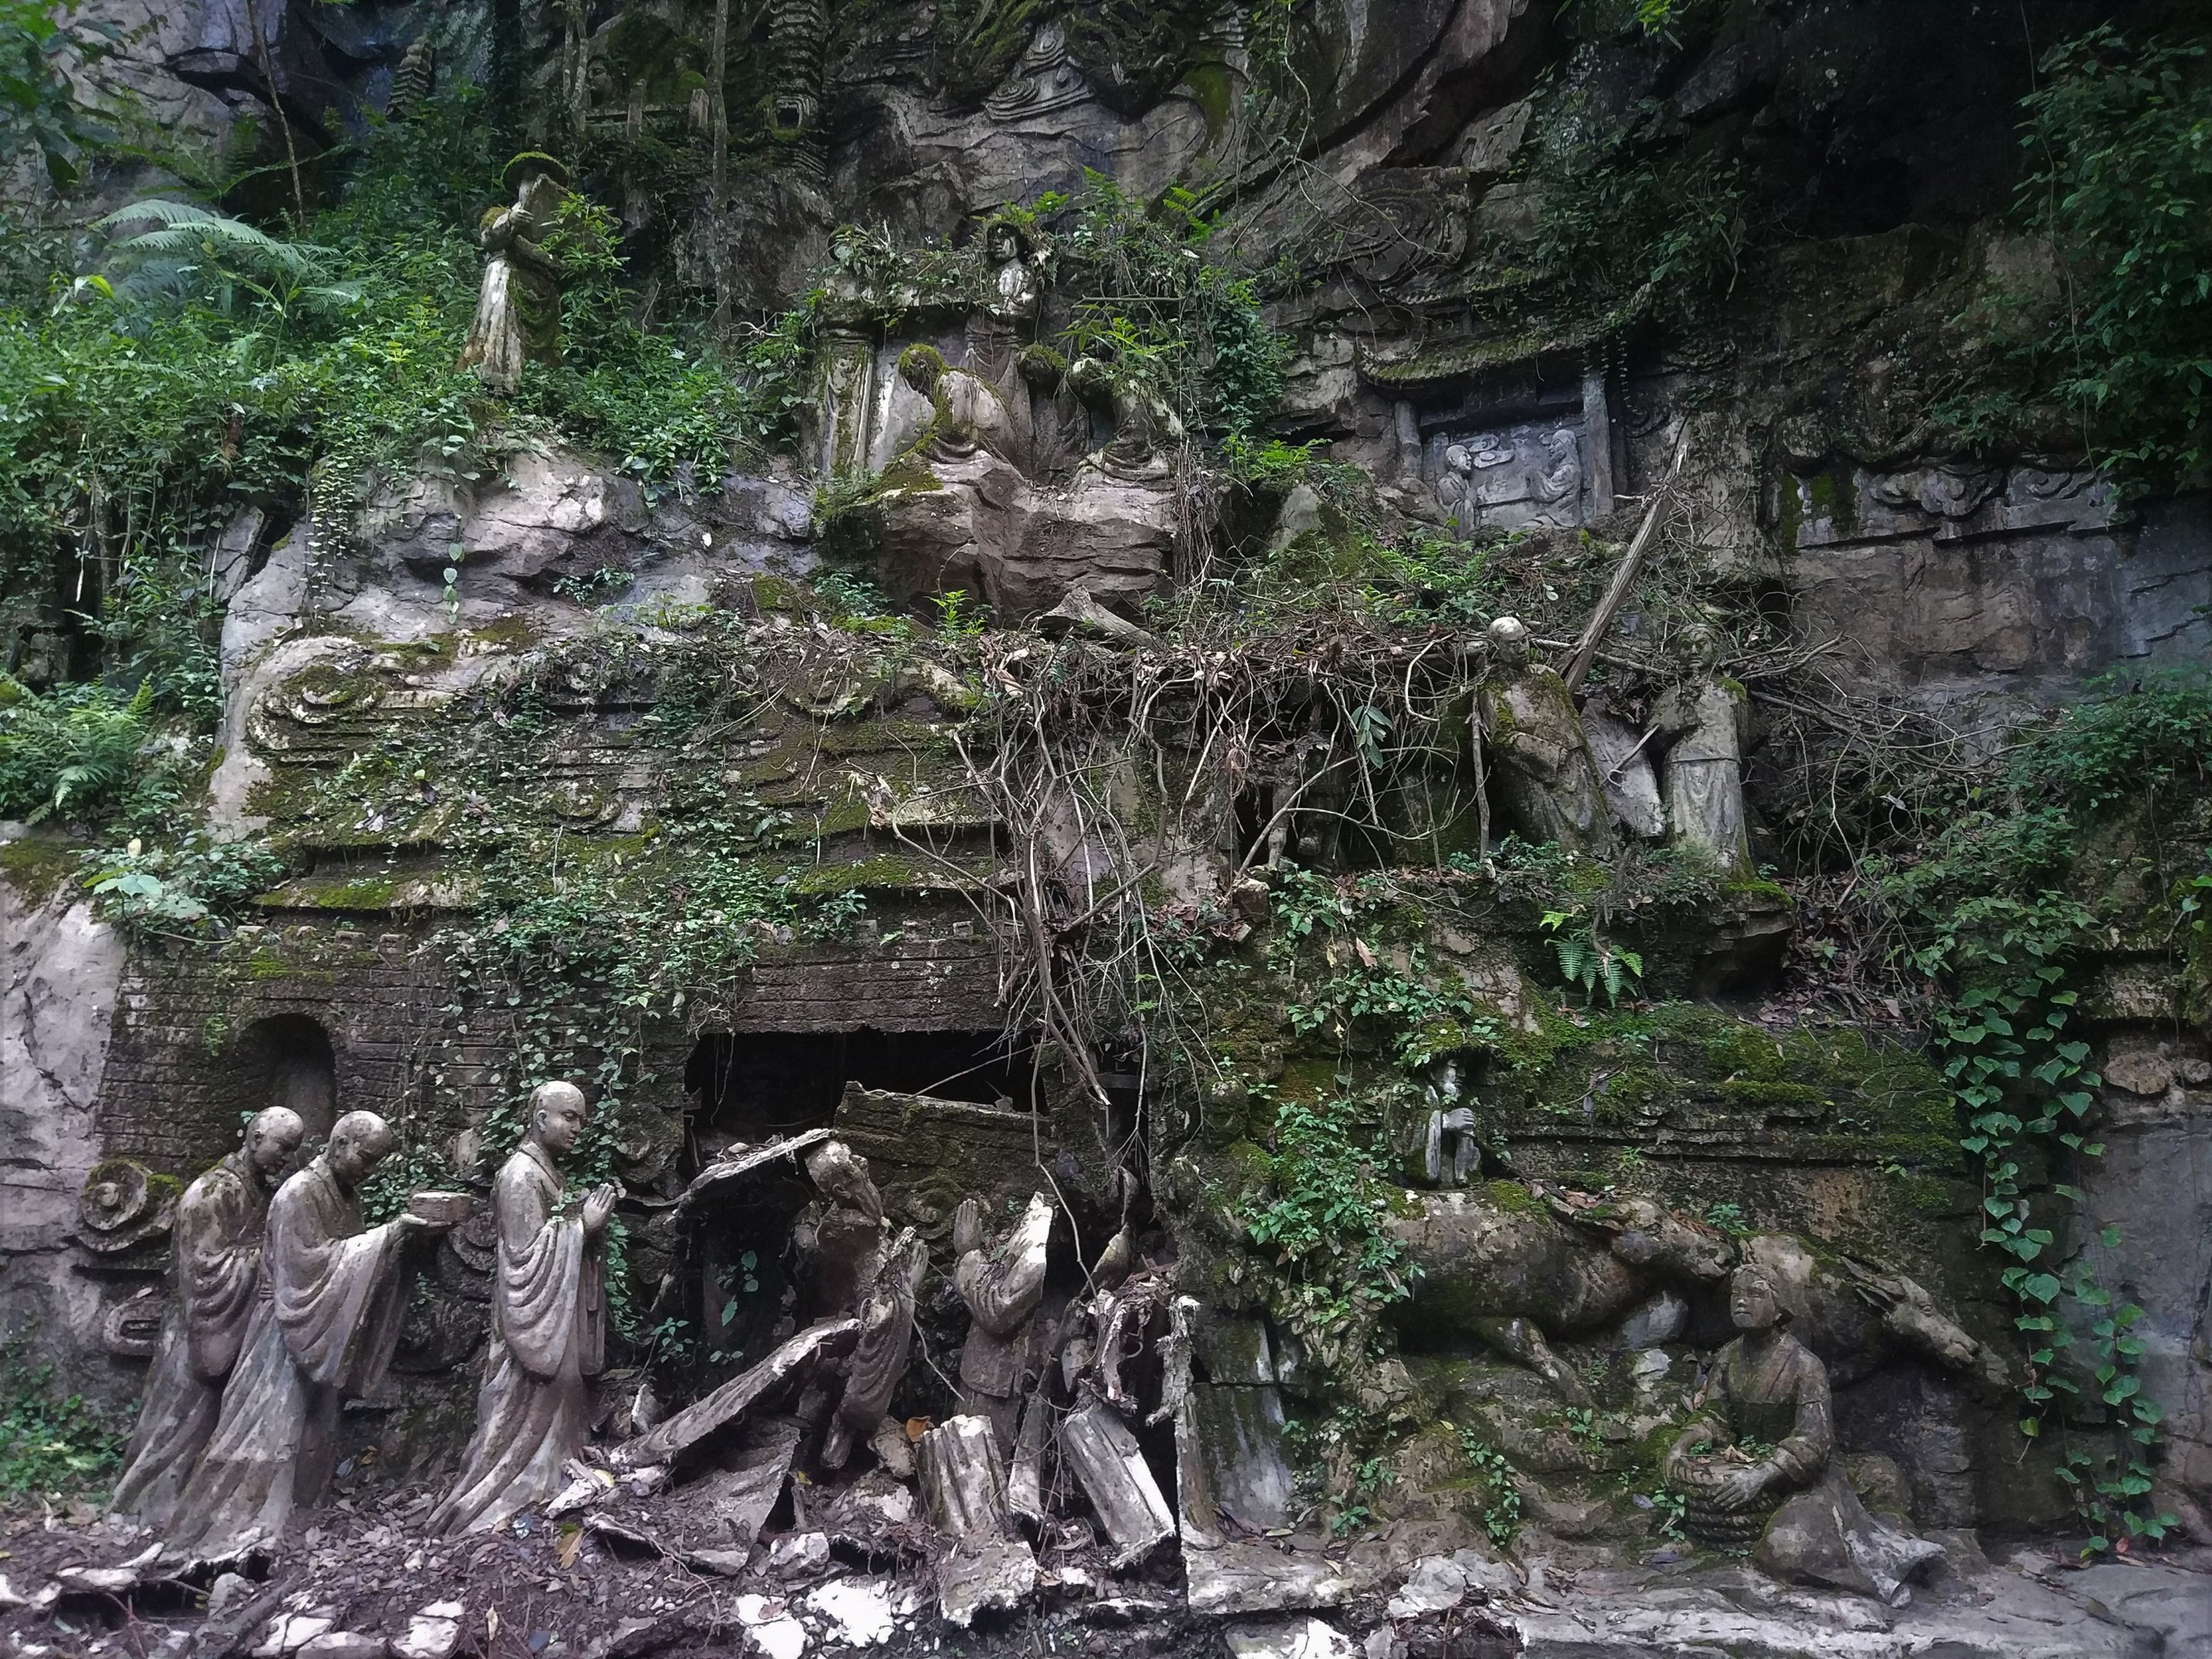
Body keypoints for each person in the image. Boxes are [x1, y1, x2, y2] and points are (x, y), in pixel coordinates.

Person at [166, 1111, 444, 1558]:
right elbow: (307, 1269)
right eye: (366, 1158)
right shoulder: (298, 1194)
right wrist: (387, 1236)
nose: (369, 1171)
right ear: (339, 1145)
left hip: (318, 1332)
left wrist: (399, 1243)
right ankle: (227, 1530)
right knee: (258, 1437)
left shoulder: (341, 1196)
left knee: (311, 1434)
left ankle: (294, 1522)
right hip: (279, 1336)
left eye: (376, 1163)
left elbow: (343, 1263)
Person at [1663, 1264, 1943, 1604]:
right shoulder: (1728, 1357)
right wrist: (1683, 1444)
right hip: (1749, 1463)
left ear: (1780, 1307)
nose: (1741, 1302)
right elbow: (1717, 1413)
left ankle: (1875, 1582)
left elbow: (1813, 1441)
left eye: (1756, 1293)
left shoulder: (1805, 1365)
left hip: (1810, 1480)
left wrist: (1763, 1474)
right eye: (1737, 1294)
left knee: (1784, 1549)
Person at [110, 1108, 306, 1530]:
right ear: (255, 1138)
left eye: (293, 1152)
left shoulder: (259, 1191)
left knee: (206, 1430)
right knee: (172, 1427)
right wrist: (269, 1257)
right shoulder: (211, 1191)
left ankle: (186, 1511)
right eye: (282, 1148)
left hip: (232, 1325)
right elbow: (204, 1269)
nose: (286, 1160)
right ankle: (139, 1510)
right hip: (198, 1327)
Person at [429, 1083, 611, 1535]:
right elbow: (523, 1261)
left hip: (556, 1312)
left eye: (581, 1119)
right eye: (568, 1117)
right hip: (530, 1317)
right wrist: (581, 1228)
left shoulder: (548, 1171)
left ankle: (555, 1470)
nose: (577, 1128)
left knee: (559, 1400)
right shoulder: (519, 1176)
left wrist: (581, 1229)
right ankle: (510, 1489)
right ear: (538, 1117)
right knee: (517, 1411)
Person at [1474, 615, 1616, 857]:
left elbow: (1572, 721)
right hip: (1536, 773)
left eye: (1523, 641)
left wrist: (1585, 763)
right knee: (1559, 843)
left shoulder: (1548, 677)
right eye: (1511, 644)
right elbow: (1502, 738)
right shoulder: (1492, 689)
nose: (1520, 649)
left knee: (1598, 836)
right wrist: (1549, 754)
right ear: (1497, 648)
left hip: (1575, 765)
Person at [459, 155, 571, 394]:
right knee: (498, 271)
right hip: (506, 278)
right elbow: (488, 239)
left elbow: (564, 265)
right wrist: (510, 221)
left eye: (541, 182)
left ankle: (544, 385)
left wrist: (533, 251)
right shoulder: (499, 213)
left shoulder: (558, 228)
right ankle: (495, 369)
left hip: (542, 286)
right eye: (528, 180)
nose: (532, 188)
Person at [1649, 624, 1753, 875]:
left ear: (1715, 649)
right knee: (1684, 834)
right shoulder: (1668, 696)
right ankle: (1684, 875)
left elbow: (1745, 735)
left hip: (1723, 763)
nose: (1694, 650)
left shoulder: (1731, 691)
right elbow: (1653, 742)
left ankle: (1730, 872)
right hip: (1680, 767)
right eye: (1686, 645)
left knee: (1725, 832)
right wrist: (1676, 722)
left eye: (1701, 644)